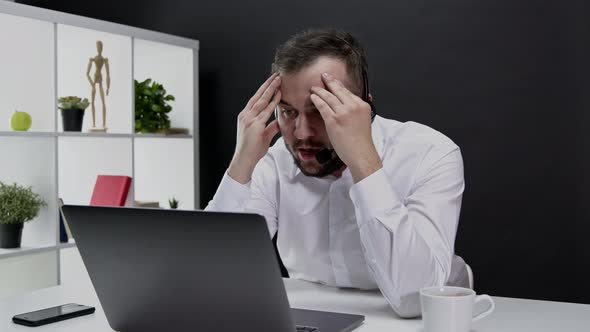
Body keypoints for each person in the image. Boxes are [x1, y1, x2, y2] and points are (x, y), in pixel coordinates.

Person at [205, 28, 469, 318]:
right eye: (288, 112)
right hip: (311, 316)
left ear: (364, 107)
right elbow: (209, 279)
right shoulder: (273, 161)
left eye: (320, 110)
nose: (301, 133)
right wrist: (241, 163)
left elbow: (414, 300)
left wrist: (363, 162)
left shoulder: (430, 153)